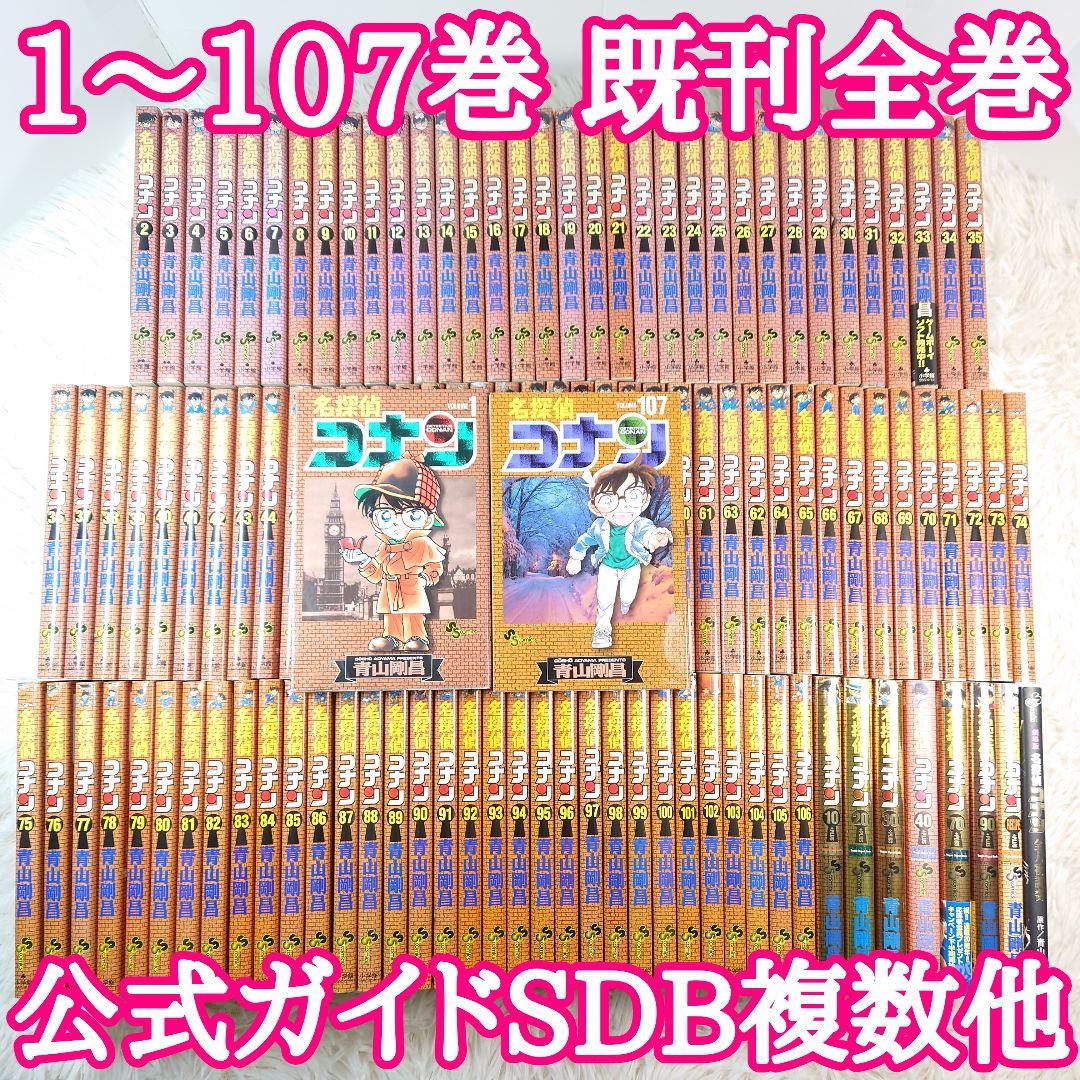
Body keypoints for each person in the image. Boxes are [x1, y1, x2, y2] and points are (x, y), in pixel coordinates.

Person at [339, 454, 446, 653]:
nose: (396, 523)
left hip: (412, 585)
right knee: (391, 616)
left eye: (411, 515)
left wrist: (425, 578)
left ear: (427, 519)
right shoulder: (385, 548)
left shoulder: (423, 544)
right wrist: (363, 560)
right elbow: (378, 574)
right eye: (385, 515)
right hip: (389, 589)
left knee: (413, 615)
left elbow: (435, 567)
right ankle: (392, 638)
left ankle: (417, 637)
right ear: (375, 517)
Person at [566, 454, 673, 649]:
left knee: (627, 596)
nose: (622, 505)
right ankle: (602, 629)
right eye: (609, 499)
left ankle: (625, 603)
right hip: (608, 567)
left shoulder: (640, 523)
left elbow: (647, 533)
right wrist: (576, 557)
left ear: (644, 500)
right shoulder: (599, 526)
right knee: (605, 599)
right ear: (595, 506)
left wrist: (656, 538)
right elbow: (585, 540)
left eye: (633, 496)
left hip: (631, 567)